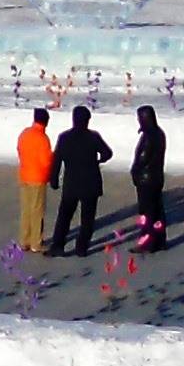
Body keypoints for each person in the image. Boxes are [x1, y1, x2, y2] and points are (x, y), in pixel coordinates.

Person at [55, 104, 112, 257]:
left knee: (64, 216)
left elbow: (57, 160)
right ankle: (82, 248)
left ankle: (58, 246)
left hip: (71, 183)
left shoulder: (64, 137)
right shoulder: (93, 137)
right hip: (90, 183)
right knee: (87, 219)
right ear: (88, 120)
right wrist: (99, 161)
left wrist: (54, 179)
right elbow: (107, 153)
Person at [17, 107, 56, 257]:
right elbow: (46, 161)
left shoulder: (25, 134)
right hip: (38, 178)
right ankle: (36, 243)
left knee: (26, 209)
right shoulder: (42, 138)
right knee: (37, 210)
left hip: (24, 175)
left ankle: (24, 240)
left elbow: (19, 150)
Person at [131, 105, 169, 247]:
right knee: (157, 210)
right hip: (157, 177)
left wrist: (135, 170)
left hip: (146, 179)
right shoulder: (159, 133)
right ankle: (159, 240)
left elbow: (143, 157)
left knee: (147, 212)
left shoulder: (148, 136)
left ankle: (148, 242)